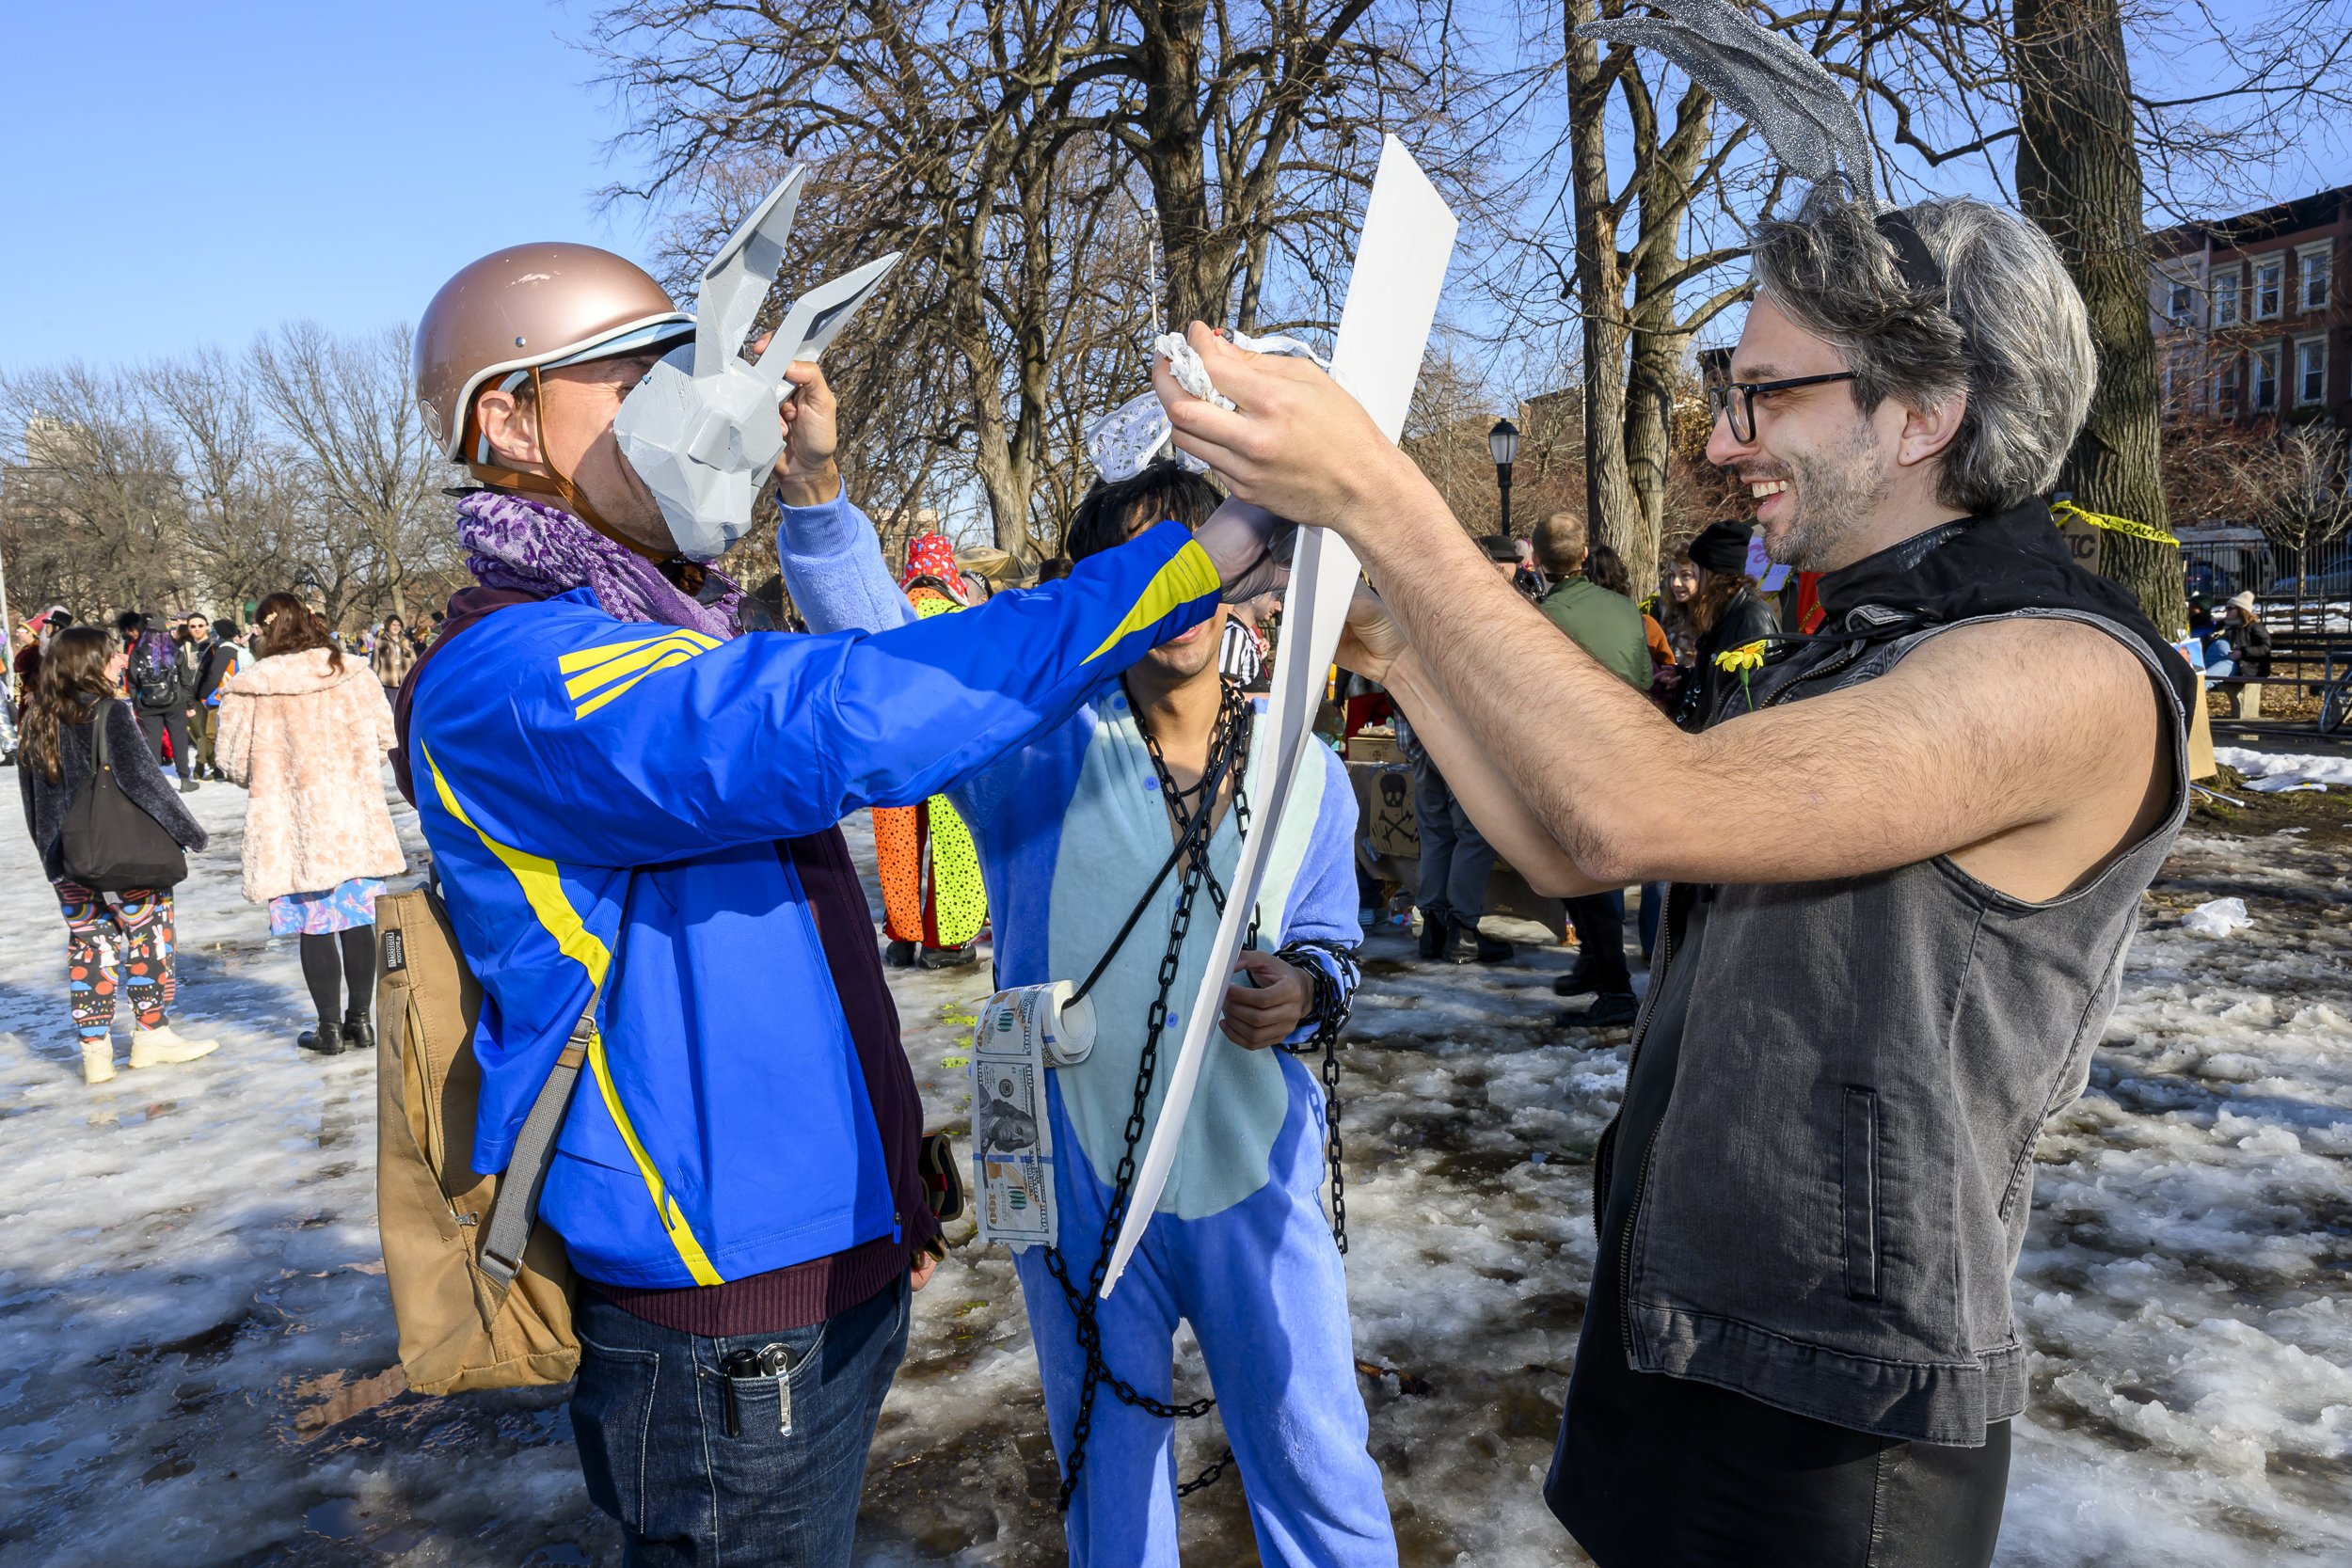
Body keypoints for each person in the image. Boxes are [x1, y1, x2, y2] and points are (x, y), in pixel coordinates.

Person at [1152, 177, 2190, 1564]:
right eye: (1723, 389)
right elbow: (1560, 838)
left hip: (1840, 1400)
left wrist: (1385, 495)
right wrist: (1397, 648)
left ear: (1924, 409)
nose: (1718, 439)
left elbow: (1633, 804)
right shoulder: (1865, 650)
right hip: (1683, 1314)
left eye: (1762, 394)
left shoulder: (2067, 669)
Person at [401, 239, 1274, 1567]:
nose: (681, 412)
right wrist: (1201, 553)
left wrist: (882, 1177)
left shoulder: (663, 626)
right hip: (721, 1312)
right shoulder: (518, 678)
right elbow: (851, 710)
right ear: (506, 417)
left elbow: (768, 943)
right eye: (630, 379)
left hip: (823, 1271)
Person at [779, 456, 1389, 1568]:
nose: (1175, 595)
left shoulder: (1310, 769)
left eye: (1198, 559)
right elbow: (897, 659)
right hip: (1075, 1196)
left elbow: (1333, 946)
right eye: (1139, 570)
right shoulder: (1029, 750)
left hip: (1255, 1180)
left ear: (1244, 571)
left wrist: (1303, 989)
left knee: (1317, 1458)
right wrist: (820, 501)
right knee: (1108, 1478)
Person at [17, 625, 218, 1085]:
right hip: (126, 854)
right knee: (149, 935)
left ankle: (96, 1055)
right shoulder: (109, 713)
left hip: (67, 858)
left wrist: (51, 859)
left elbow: (33, 802)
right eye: (112, 656)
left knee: (89, 947)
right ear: (90, 663)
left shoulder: (36, 718)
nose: (121, 661)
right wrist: (192, 833)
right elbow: (144, 782)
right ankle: (150, 1035)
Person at [215, 594, 406, 1055]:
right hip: (353, 816)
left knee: (314, 922)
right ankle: (360, 1022)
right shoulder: (355, 673)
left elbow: (233, 761)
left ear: (268, 629)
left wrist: (275, 771)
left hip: (292, 824)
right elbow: (387, 739)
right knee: (358, 918)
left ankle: (328, 1029)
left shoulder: (252, 685)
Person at [1530, 511, 1651, 1027]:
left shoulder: (1539, 618)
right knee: (1589, 873)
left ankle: (1617, 991)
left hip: (1572, 759)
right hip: (1625, 751)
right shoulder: (1625, 608)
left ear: (1535, 560)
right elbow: (1644, 675)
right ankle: (1593, 963)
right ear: (1583, 556)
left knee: (1585, 877)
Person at [1405, 535, 1525, 966]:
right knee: (1473, 834)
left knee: (1438, 833)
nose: (1513, 571)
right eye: (1509, 565)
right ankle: (1462, 931)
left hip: (1428, 736)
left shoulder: (1429, 602)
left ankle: (1435, 929)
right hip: (1465, 739)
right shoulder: (1488, 610)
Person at [872, 532, 988, 970]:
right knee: (954, 842)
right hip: (948, 744)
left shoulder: (887, 614)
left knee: (899, 843)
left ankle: (901, 936)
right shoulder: (962, 617)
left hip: (890, 748)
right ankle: (946, 942)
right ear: (947, 573)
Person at [1678, 520, 1781, 730]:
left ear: (1714, 573)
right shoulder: (1726, 612)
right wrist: (1682, 678)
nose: (1695, 579)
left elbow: (1761, 695)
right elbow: (1717, 682)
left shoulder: (1751, 618)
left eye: (1698, 570)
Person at [119, 611, 198, 792]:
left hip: (147, 705)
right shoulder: (174, 653)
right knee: (179, 740)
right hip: (175, 703)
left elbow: (131, 681)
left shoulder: (138, 654)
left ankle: (155, 784)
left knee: (152, 743)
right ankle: (185, 780)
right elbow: (186, 680)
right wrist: (189, 704)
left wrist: (137, 704)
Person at [2205, 591, 2271, 681]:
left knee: (2202, 680)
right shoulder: (2221, 626)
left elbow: (2265, 648)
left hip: (2241, 667)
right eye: (2226, 608)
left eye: (2230, 608)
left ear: (2242, 610)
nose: (2226, 611)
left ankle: (2195, 689)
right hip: (2213, 663)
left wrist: (2242, 653)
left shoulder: (2254, 626)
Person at [371, 614, 415, 708]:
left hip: (405, 680)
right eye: (394, 625)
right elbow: (375, 663)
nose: (396, 627)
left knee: (405, 708)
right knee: (393, 709)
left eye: (399, 625)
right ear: (388, 625)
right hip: (388, 681)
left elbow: (413, 660)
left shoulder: (405, 641)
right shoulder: (380, 641)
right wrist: (374, 681)